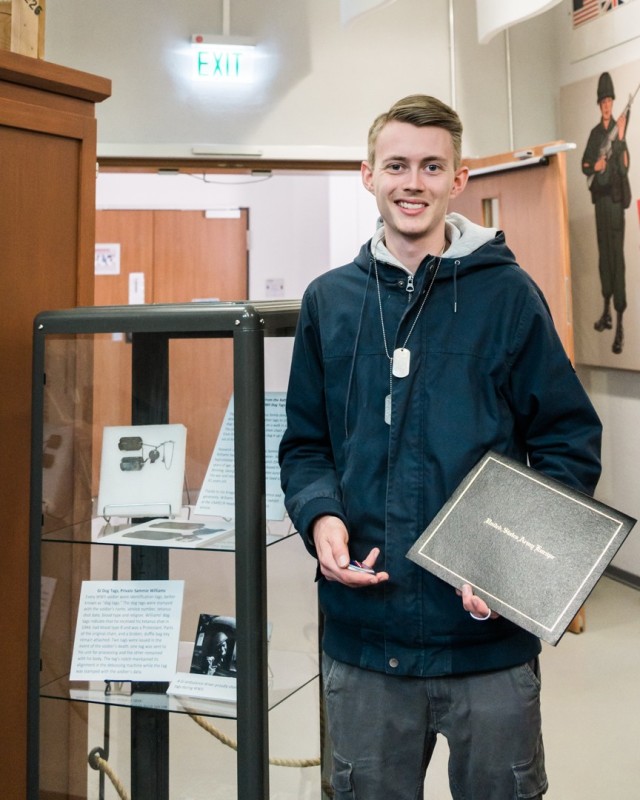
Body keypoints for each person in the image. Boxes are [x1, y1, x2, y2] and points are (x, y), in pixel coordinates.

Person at [279, 94, 602, 799]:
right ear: (367, 174)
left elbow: (567, 439)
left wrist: (512, 566)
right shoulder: (330, 302)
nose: (413, 183)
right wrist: (321, 519)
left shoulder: (509, 296)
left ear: (459, 181)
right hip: (365, 636)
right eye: (397, 165)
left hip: (485, 642)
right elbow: (305, 445)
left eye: (432, 166)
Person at [581, 71, 631, 355]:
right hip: (600, 203)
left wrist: (621, 138)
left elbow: (624, 167)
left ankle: (620, 320)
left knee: (617, 260)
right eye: (603, 101)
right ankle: (605, 311)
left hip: (614, 203)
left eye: (610, 101)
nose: (607, 105)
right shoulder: (594, 134)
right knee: (603, 259)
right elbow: (585, 166)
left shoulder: (617, 132)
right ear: (599, 104)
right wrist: (595, 167)